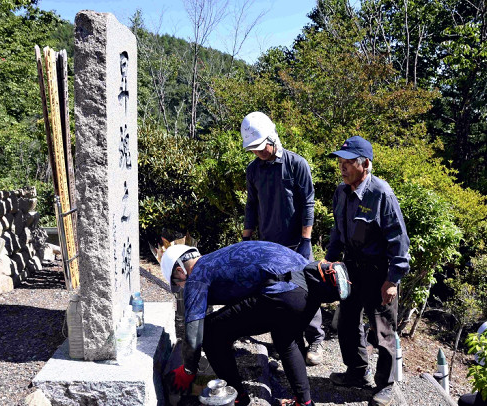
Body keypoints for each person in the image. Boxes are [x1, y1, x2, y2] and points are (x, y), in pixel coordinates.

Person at [162, 241, 351, 406]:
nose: (181, 287)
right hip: (309, 289)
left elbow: (194, 333)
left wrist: (188, 370)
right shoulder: (218, 258)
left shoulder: (197, 274)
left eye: (177, 283)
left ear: (180, 270)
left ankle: (236, 397)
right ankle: (304, 402)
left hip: (283, 293)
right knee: (286, 341)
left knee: (211, 332)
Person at [325, 136, 410, 406]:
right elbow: (338, 231)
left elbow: (399, 240)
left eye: (349, 162)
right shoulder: (341, 192)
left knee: (382, 330)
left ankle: (386, 385)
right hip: (351, 268)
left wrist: (393, 279)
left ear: (366, 164)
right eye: (341, 162)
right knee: (347, 322)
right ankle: (357, 372)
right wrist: (329, 260)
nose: (343, 167)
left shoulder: (381, 193)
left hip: (379, 272)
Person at [240, 111, 325, 365]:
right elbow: (251, 205)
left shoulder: (296, 164)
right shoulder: (254, 170)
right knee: (276, 294)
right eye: (253, 149)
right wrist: (247, 239)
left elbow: (307, 203)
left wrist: (306, 240)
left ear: (272, 137)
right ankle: (287, 340)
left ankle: (317, 340)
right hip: (268, 243)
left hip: (295, 242)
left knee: (306, 292)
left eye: (260, 147)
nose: (258, 152)